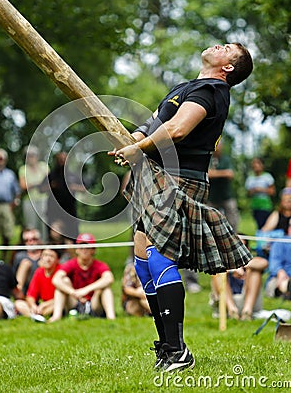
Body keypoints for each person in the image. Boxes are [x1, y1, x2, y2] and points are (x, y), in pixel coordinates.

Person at [110, 43, 253, 372]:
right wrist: (133, 141)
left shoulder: (213, 90)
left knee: (160, 255)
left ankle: (178, 351)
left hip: (181, 178)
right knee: (143, 260)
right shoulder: (185, 87)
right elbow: (152, 125)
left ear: (228, 67)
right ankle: (168, 349)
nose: (218, 44)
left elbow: (177, 129)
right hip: (155, 176)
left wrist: (139, 148)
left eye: (226, 48)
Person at [49, 233, 116, 322]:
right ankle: (56, 316)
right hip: (74, 302)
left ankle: (111, 318)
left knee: (106, 288)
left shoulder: (100, 265)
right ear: (77, 249)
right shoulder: (71, 264)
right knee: (63, 282)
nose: (84, 250)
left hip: (94, 304)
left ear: (93, 250)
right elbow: (56, 279)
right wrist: (73, 292)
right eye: (81, 247)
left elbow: (109, 278)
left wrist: (86, 290)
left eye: (87, 247)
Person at [42, 152, 85, 243]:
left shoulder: (72, 175)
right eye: (60, 159)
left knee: (72, 234)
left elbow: (84, 188)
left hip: (70, 210)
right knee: (53, 235)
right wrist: (51, 186)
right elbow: (41, 188)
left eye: (64, 159)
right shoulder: (51, 175)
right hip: (54, 210)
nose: (62, 161)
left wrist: (74, 187)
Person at [210, 255, 268, 321]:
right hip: (226, 302)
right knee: (217, 273)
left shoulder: (251, 257)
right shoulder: (218, 257)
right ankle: (232, 310)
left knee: (255, 272)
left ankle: (247, 311)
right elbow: (213, 266)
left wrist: (240, 265)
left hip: (247, 301)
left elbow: (264, 263)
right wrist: (233, 269)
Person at [15, 248, 62, 322]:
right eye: (45, 255)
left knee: (56, 305)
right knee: (18, 303)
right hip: (41, 305)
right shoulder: (39, 272)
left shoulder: (61, 271)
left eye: (51, 256)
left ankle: (37, 316)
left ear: (57, 259)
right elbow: (31, 295)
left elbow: (64, 296)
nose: (47, 259)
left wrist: (45, 304)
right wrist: (33, 306)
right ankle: (35, 316)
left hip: (55, 303)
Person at [265, 215, 291, 314]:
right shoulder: (280, 242)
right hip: (280, 279)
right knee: (287, 283)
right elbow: (274, 264)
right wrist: (280, 272)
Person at [208, 140, 240, 232]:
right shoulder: (208, 159)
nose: (216, 147)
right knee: (210, 220)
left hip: (226, 195)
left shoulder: (226, 159)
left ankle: (234, 237)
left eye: (218, 145)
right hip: (212, 197)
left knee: (233, 219)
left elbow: (230, 174)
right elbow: (207, 174)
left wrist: (214, 174)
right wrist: (222, 173)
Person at [18, 146, 49, 241]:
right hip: (29, 201)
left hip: (44, 200)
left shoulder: (44, 166)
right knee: (31, 225)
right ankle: (32, 246)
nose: (31, 157)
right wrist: (39, 184)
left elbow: (48, 183)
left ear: (37, 156)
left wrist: (32, 184)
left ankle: (44, 246)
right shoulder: (23, 169)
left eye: (33, 155)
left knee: (44, 224)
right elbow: (23, 186)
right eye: (29, 155)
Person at [245, 158, 275, 230]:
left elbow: (272, 191)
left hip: (266, 206)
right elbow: (248, 193)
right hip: (255, 205)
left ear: (262, 165)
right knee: (259, 224)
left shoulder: (267, 177)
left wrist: (261, 190)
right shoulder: (250, 178)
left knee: (266, 224)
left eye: (258, 163)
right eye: (254, 164)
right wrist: (253, 191)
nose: (256, 165)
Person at [13, 228, 43, 293]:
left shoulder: (46, 254)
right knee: (25, 263)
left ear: (39, 240)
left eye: (34, 239)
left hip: (43, 287)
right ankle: (19, 293)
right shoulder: (19, 256)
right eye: (27, 240)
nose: (30, 242)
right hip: (25, 289)